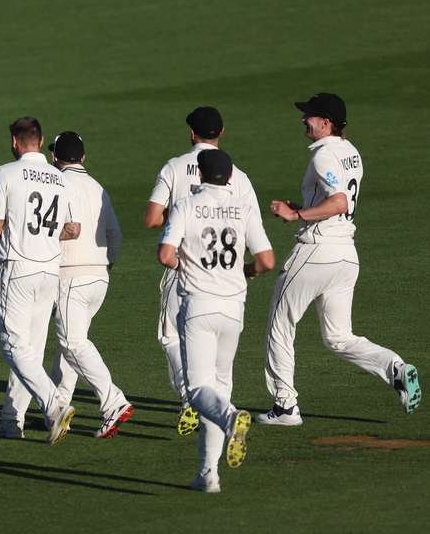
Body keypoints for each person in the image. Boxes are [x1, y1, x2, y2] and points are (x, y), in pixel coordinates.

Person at [258, 93, 421, 425]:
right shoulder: (351, 152)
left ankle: (285, 405)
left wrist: (297, 214)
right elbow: (335, 201)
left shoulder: (324, 155)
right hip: (346, 255)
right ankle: (396, 369)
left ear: (326, 122)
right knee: (338, 337)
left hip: (317, 252)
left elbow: (338, 202)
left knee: (280, 324)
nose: (304, 120)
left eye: (309, 116)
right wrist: (298, 207)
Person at [0, 131, 134, 440]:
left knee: (66, 344)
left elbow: (63, 229)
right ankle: (47, 413)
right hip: (99, 277)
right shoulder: (98, 188)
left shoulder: (57, 182)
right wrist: (104, 265)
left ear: (55, 157)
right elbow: (116, 236)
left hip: (67, 275)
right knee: (71, 344)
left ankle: (111, 402)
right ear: (83, 157)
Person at [158, 148, 275, 493]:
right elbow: (267, 260)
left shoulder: (187, 205)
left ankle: (230, 418)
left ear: (200, 175)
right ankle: (209, 474)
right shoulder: (244, 207)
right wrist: (247, 271)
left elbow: (166, 255)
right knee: (218, 387)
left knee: (197, 390)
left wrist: (188, 266)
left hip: (199, 307)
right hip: (233, 309)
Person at [143, 106, 259, 436]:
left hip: (183, 269)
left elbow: (151, 219)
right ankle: (218, 414)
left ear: (192, 133)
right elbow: (253, 232)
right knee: (222, 361)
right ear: (221, 132)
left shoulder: (175, 167)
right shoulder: (239, 175)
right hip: (229, 276)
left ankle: (194, 401)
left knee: (171, 337)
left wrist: (183, 220)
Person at [0, 117, 80, 446]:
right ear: (40, 142)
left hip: (18, 268)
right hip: (49, 271)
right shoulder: (60, 178)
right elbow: (72, 229)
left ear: (16, 141)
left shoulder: (6, 173)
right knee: (29, 350)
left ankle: (55, 405)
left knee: (14, 347)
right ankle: (11, 420)